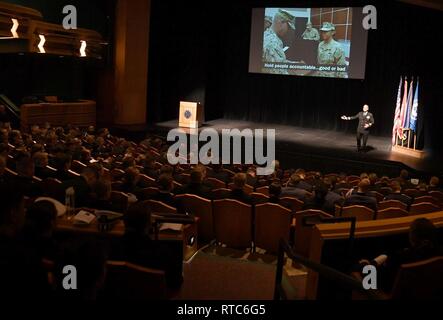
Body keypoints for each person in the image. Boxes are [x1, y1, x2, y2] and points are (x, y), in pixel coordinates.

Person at [262, 9, 296, 74]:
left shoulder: (273, 37)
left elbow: (280, 61)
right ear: (281, 22)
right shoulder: (271, 43)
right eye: (288, 27)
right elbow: (278, 71)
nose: (288, 30)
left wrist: (295, 64)